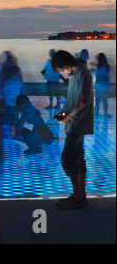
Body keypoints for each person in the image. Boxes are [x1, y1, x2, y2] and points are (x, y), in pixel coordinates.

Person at [51, 50, 94, 209]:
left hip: (77, 124)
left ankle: (77, 197)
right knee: (77, 159)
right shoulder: (75, 76)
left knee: (67, 158)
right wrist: (65, 113)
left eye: (61, 69)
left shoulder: (83, 74)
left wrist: (68, 117)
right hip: (75, 122)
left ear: (66, 64)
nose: (62, 72)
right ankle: (81, 196)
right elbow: (77, 99)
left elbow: (84, 100)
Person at [94, 53, 111, 117]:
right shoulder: (107, 66)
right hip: (104, 84)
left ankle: (96, 113)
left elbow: (96, 76)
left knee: (97, 100)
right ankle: (106, 113)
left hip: (98, 84)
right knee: (104, 100)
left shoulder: (98, 66)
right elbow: (107, 74)